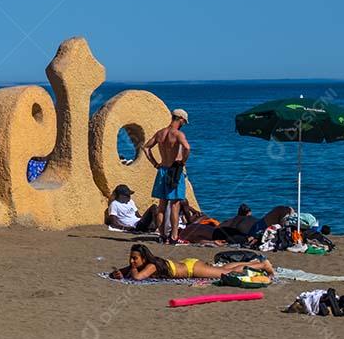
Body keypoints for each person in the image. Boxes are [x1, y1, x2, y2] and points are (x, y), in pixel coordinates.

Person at [144, 108, 191, 244]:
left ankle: (162, 235)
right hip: (174, 171)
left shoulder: (160, 133)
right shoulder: (178, 134)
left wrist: (155, 163)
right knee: (175, 205)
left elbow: (146, 148)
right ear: (181, 119)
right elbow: (187, 148)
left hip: (162, 170)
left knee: (162, 205)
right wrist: (182, 161)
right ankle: (174, 236)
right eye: (184, 121)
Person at [109, 243, 275, 281]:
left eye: (135, 258)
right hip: (189, 263)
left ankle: (262, 265)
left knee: (226, 273)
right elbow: (126, 271)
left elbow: (138, 277)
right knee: (223, 268)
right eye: (131, 258)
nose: (132, 261)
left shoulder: (151, 266)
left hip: (191, 268)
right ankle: (255, 262)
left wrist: (130, 269)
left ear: (143, 259)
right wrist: (119, 273)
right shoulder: (148, 263)